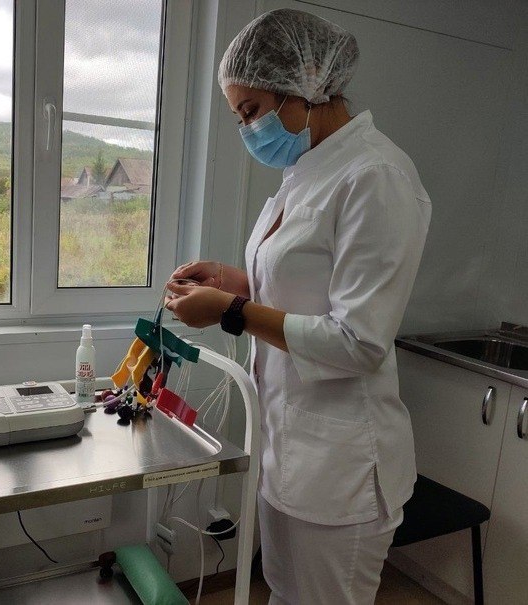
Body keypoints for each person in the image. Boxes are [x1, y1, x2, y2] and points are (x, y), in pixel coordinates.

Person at [165, 8, 431, 605]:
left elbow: (359, 341)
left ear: (305, 85)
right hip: (288, 449)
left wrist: (230, 311)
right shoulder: (305, 172)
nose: (247, 130)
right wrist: (233, 281)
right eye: (240, 117)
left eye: (251, 111)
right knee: (283, 593)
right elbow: (299, 286)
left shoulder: (376, 176)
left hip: (342, 470)